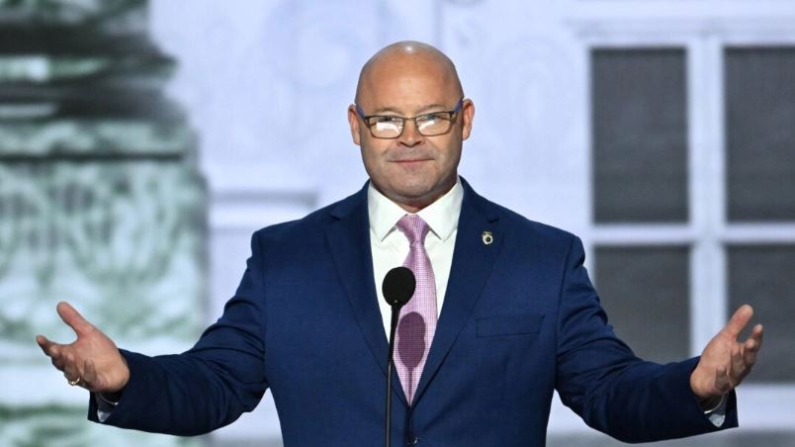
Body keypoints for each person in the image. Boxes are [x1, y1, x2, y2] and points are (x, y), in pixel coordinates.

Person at [37, 41, 763, 446]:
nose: (409, 138)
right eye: (386, 119)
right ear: (354, 126)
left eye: (431, 117)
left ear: (465, 120)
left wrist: (692, 388)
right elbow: (214, 386)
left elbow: (608, 393)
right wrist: (123, 379)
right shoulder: (285, 258)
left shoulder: (541, 259)